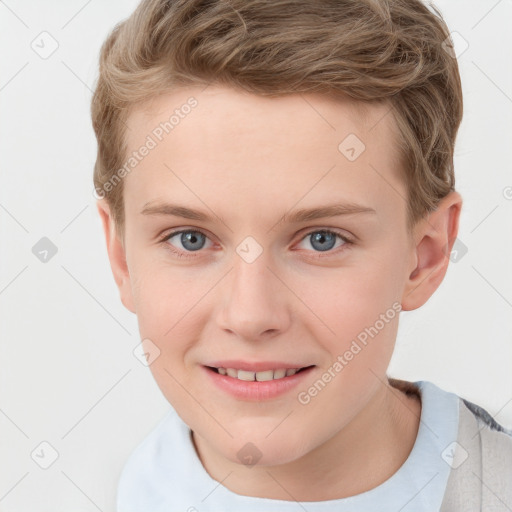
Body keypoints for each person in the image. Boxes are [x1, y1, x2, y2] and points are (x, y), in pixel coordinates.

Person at [90, 0, 512, 510]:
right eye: (190, 239)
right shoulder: (102, 487)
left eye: (322, 240)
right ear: (122, 258)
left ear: (424, 256)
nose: (250, 316)